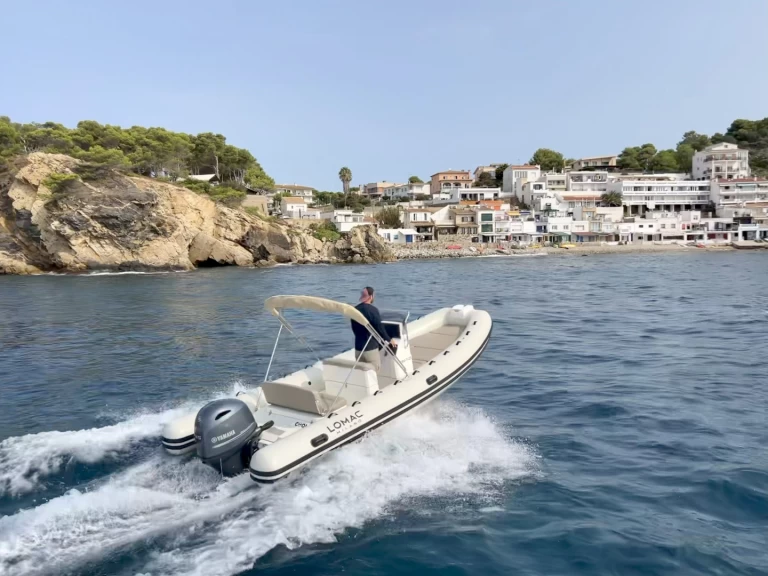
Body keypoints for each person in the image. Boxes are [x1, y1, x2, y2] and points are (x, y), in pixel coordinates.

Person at [351, 286, 396, 371]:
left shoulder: (355, 310)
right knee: (374, 371)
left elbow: (354, 329)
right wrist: (389, 339)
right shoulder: (373, 310)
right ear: (371, 296)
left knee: (362, 373)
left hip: (358, 349)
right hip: (370, 350)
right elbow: (380, 328)